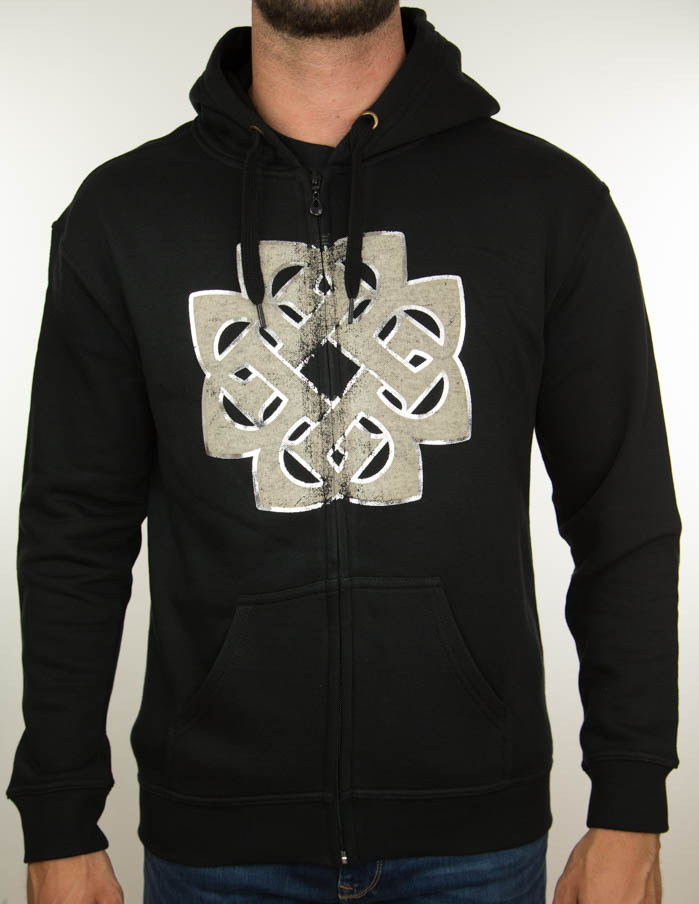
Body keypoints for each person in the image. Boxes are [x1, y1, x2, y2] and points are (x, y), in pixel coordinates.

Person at [6, 1, 681, 902]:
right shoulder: (122, 215)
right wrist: (57, 817)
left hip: (474, 842)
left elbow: (623, 519)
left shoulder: (547, 202)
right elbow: (72, 533)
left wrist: (630, 807)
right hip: (215, 846)